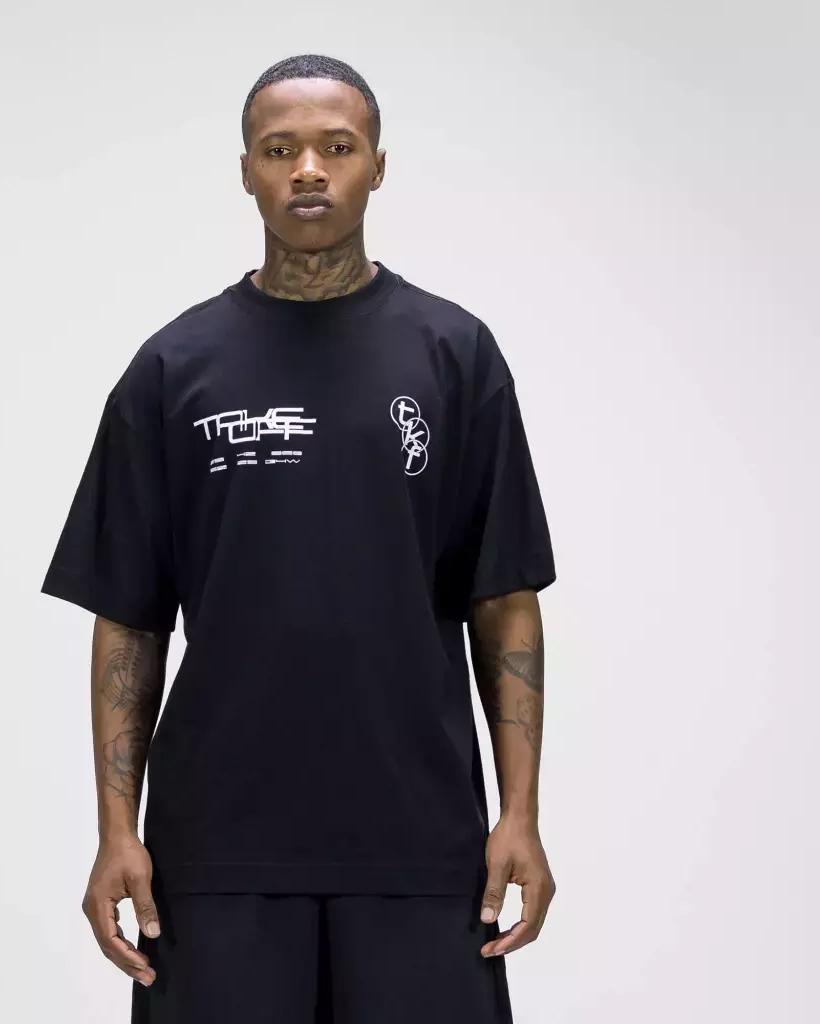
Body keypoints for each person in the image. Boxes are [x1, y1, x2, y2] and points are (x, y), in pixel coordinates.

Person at [40, 52, 557, 1024]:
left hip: (421, 846)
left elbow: (504, 599)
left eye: (337, 147)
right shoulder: (173, 367)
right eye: (280, 150)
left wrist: (519, 813)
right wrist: (117, 829)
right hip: (215, 854)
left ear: (377, 166)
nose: (308, 169)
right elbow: (130, 619)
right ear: (246, 170)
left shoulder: (453, 356)